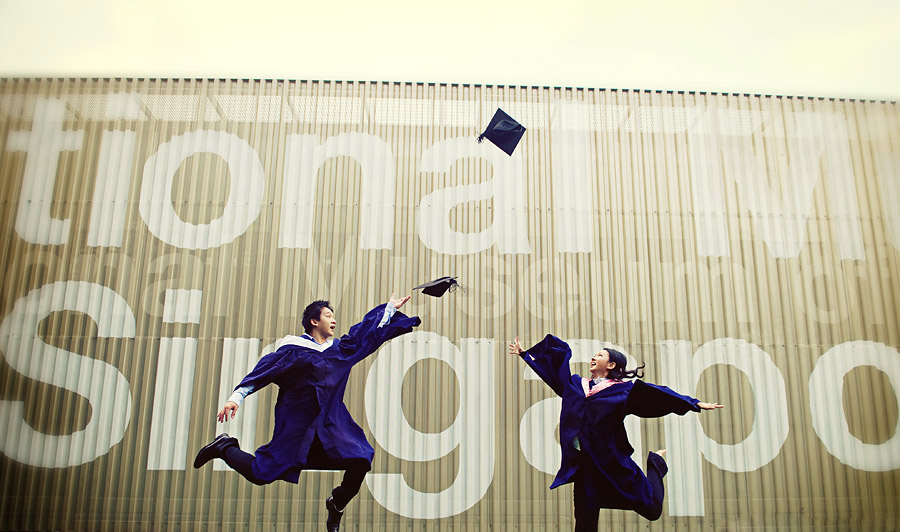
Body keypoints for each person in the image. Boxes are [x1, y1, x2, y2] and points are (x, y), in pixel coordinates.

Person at [194, 294, 419, 532]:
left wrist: (388, 310)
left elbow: (364, 335)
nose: (333, 321)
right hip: (297, 428)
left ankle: (337, 504)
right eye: (328, 316)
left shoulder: (340, 350)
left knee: (361, 459)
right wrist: (235, 398)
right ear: (314, 321)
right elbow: (263, 371)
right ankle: (225, 447)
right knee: (260, 474)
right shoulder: (292, 350)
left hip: (331, 426)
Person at [508, 335, 724, 531]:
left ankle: (655, 463)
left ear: (611, 365)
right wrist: (525, 354)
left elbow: (659, 395)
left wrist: (694, 403)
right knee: (584, 519)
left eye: (600, 355)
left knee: (652, 510)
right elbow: (552, 373)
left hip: (612, 462)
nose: (594, 357)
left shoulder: (623, 390)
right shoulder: (575, 384)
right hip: (584, 465)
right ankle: (599, 496)